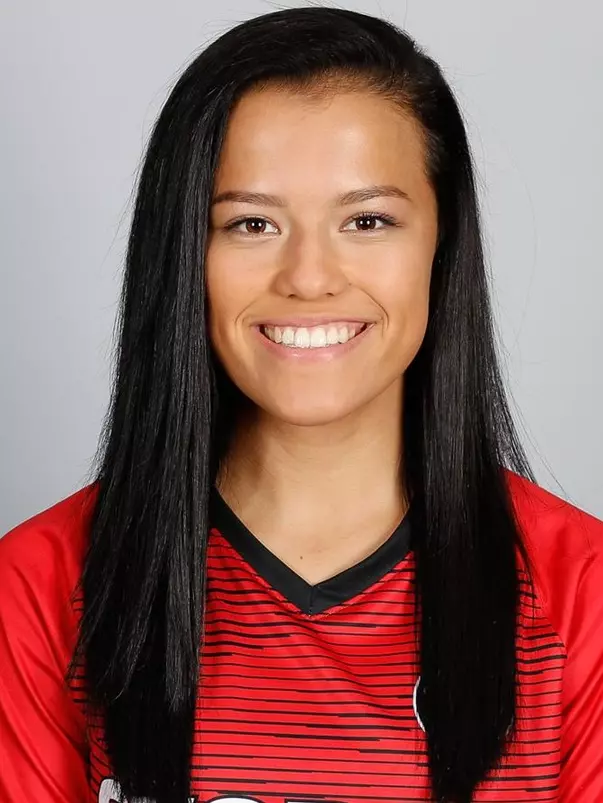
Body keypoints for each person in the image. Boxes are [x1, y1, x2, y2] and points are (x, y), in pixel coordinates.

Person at [0, 6, 602, 803]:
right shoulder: (41, 585)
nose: (309, 276)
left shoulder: (580, 592)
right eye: (251, 222)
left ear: (441, 243)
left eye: (366, 220)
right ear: (184, 250)